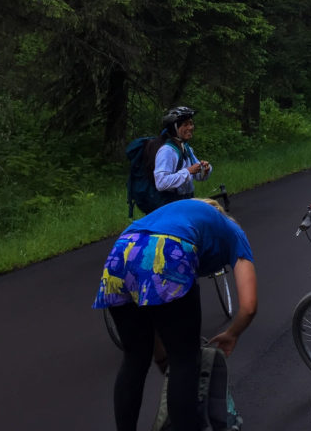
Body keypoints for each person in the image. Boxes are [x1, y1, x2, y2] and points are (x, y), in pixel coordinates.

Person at [92, 198, 258, 431]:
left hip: (122, 251)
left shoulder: (179, 215)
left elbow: (153, 307)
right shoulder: (233, 231)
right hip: (168, 251)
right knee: (185, 360)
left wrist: (160, 356)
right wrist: (232, 333)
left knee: (134, 358)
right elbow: (249, 305)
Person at [154, 106, 212, 203]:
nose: (190, 127)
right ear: (174, 128)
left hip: (186, 201)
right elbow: (161, 183)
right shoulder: (167, 151)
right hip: (172, 206)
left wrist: (205, 169)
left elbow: (198, 177)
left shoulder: (186, 148)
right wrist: (188, 171)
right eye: (185, 124)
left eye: (191, 123)